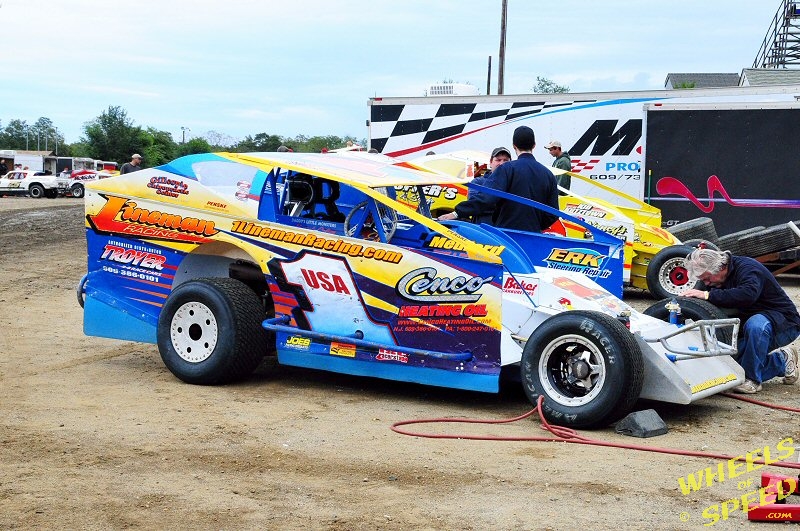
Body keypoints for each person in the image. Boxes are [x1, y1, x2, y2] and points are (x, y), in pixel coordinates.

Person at [683, 248, 800, 394]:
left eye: (707, 278)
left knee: (756, 324)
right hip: (748, 326)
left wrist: (707, 295)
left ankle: (752, 381)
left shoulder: (749, 268)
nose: (706, 283)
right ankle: (782, 360)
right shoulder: (715, 279)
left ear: (720, 268)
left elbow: (747, 295)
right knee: (729, 370)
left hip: (784, 323)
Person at [438, 126, 559, 232]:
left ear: (514, 146)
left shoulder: (507, 169)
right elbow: (553, 214)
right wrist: (534, 225)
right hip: (533, 236)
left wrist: (457, 212)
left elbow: (486, 198)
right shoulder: (548, 175)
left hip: (506, 235)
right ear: (534, 145)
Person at [466, 146, 512, 224]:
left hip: (505, 232)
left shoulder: (513, 184)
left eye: (505, 160)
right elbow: (474, 205)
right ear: (490, 162)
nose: (502, 163)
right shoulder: (477, 182)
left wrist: (486, 202)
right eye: (498, 160)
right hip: (482, 231)